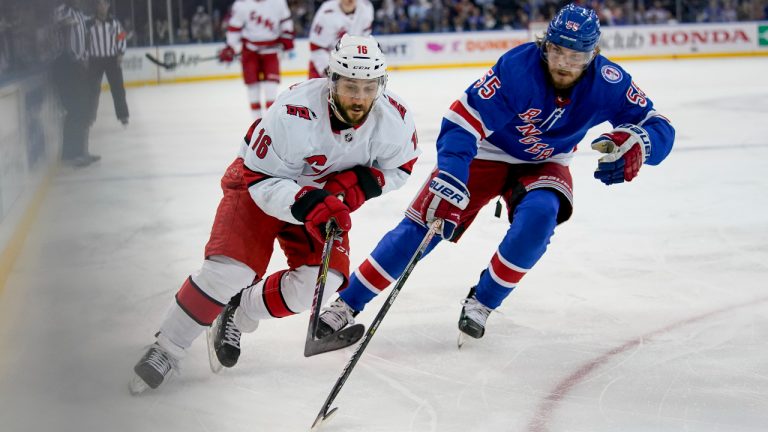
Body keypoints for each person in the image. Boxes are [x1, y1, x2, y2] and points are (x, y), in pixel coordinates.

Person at [316, 3, 676, 342]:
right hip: (485, 153)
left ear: (593, 56)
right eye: (556, 51)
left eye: (576, 56)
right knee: (426, 224)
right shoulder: (518, 68)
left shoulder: (609, 82)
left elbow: (659, 124)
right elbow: (461, 122)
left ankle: (483, 301)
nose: (564, 63)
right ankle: (347, 302)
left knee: (540, 218)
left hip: (547, 161)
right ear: (544, 45)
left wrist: (641, 142)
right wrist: (453, 175)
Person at [129, 34, 420, 394]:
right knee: (229, 272)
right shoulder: (294, 112)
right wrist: (309, 203)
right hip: (261, 182)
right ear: (332, 80)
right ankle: (167, 348)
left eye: (368, 87)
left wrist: (362, 182)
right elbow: (259, 178)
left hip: (321, 199)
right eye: (350, 86)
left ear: (381, 84)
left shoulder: (394, 119)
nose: (359, 98)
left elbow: (402, 168)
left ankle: (239, 312)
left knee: (320, 284)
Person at [219, 0, 294, 120]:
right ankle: (256, 122)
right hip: (250, 52)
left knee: (271, 88)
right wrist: (230, 47)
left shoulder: (278, 2)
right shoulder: (241, 4)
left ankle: (270, 121)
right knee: (252, 87)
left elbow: (286, 22)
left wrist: (287, 38)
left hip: (271, 51)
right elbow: (234, 28)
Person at [53, 0, 98, 167]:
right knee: (76, 109)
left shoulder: (79, 14)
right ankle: (75, 153)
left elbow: (87, 31)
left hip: (79, 66)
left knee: (83, 110)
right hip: (67, 66)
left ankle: (78, 152)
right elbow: (59, 25)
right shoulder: (62, 10)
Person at [86, 0, 129, 127]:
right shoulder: (89, 23)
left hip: (112, 59)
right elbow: (84, 41)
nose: (102, 6)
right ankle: (89, 117)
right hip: (95, 60)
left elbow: (121, 36)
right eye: (100, 4)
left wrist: (121, 53)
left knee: (118, 89)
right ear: (96, 6)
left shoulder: (114, 23)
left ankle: (123, 115)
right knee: (92, 90)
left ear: (108, 6)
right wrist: (85, 56)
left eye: (105, 4)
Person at [308, 0, 373, 79]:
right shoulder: (327, 12)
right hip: (323, 65)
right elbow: (316, 47)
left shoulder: (366, 8)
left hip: (351, 65)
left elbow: (364, 40)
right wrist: (329, 72)